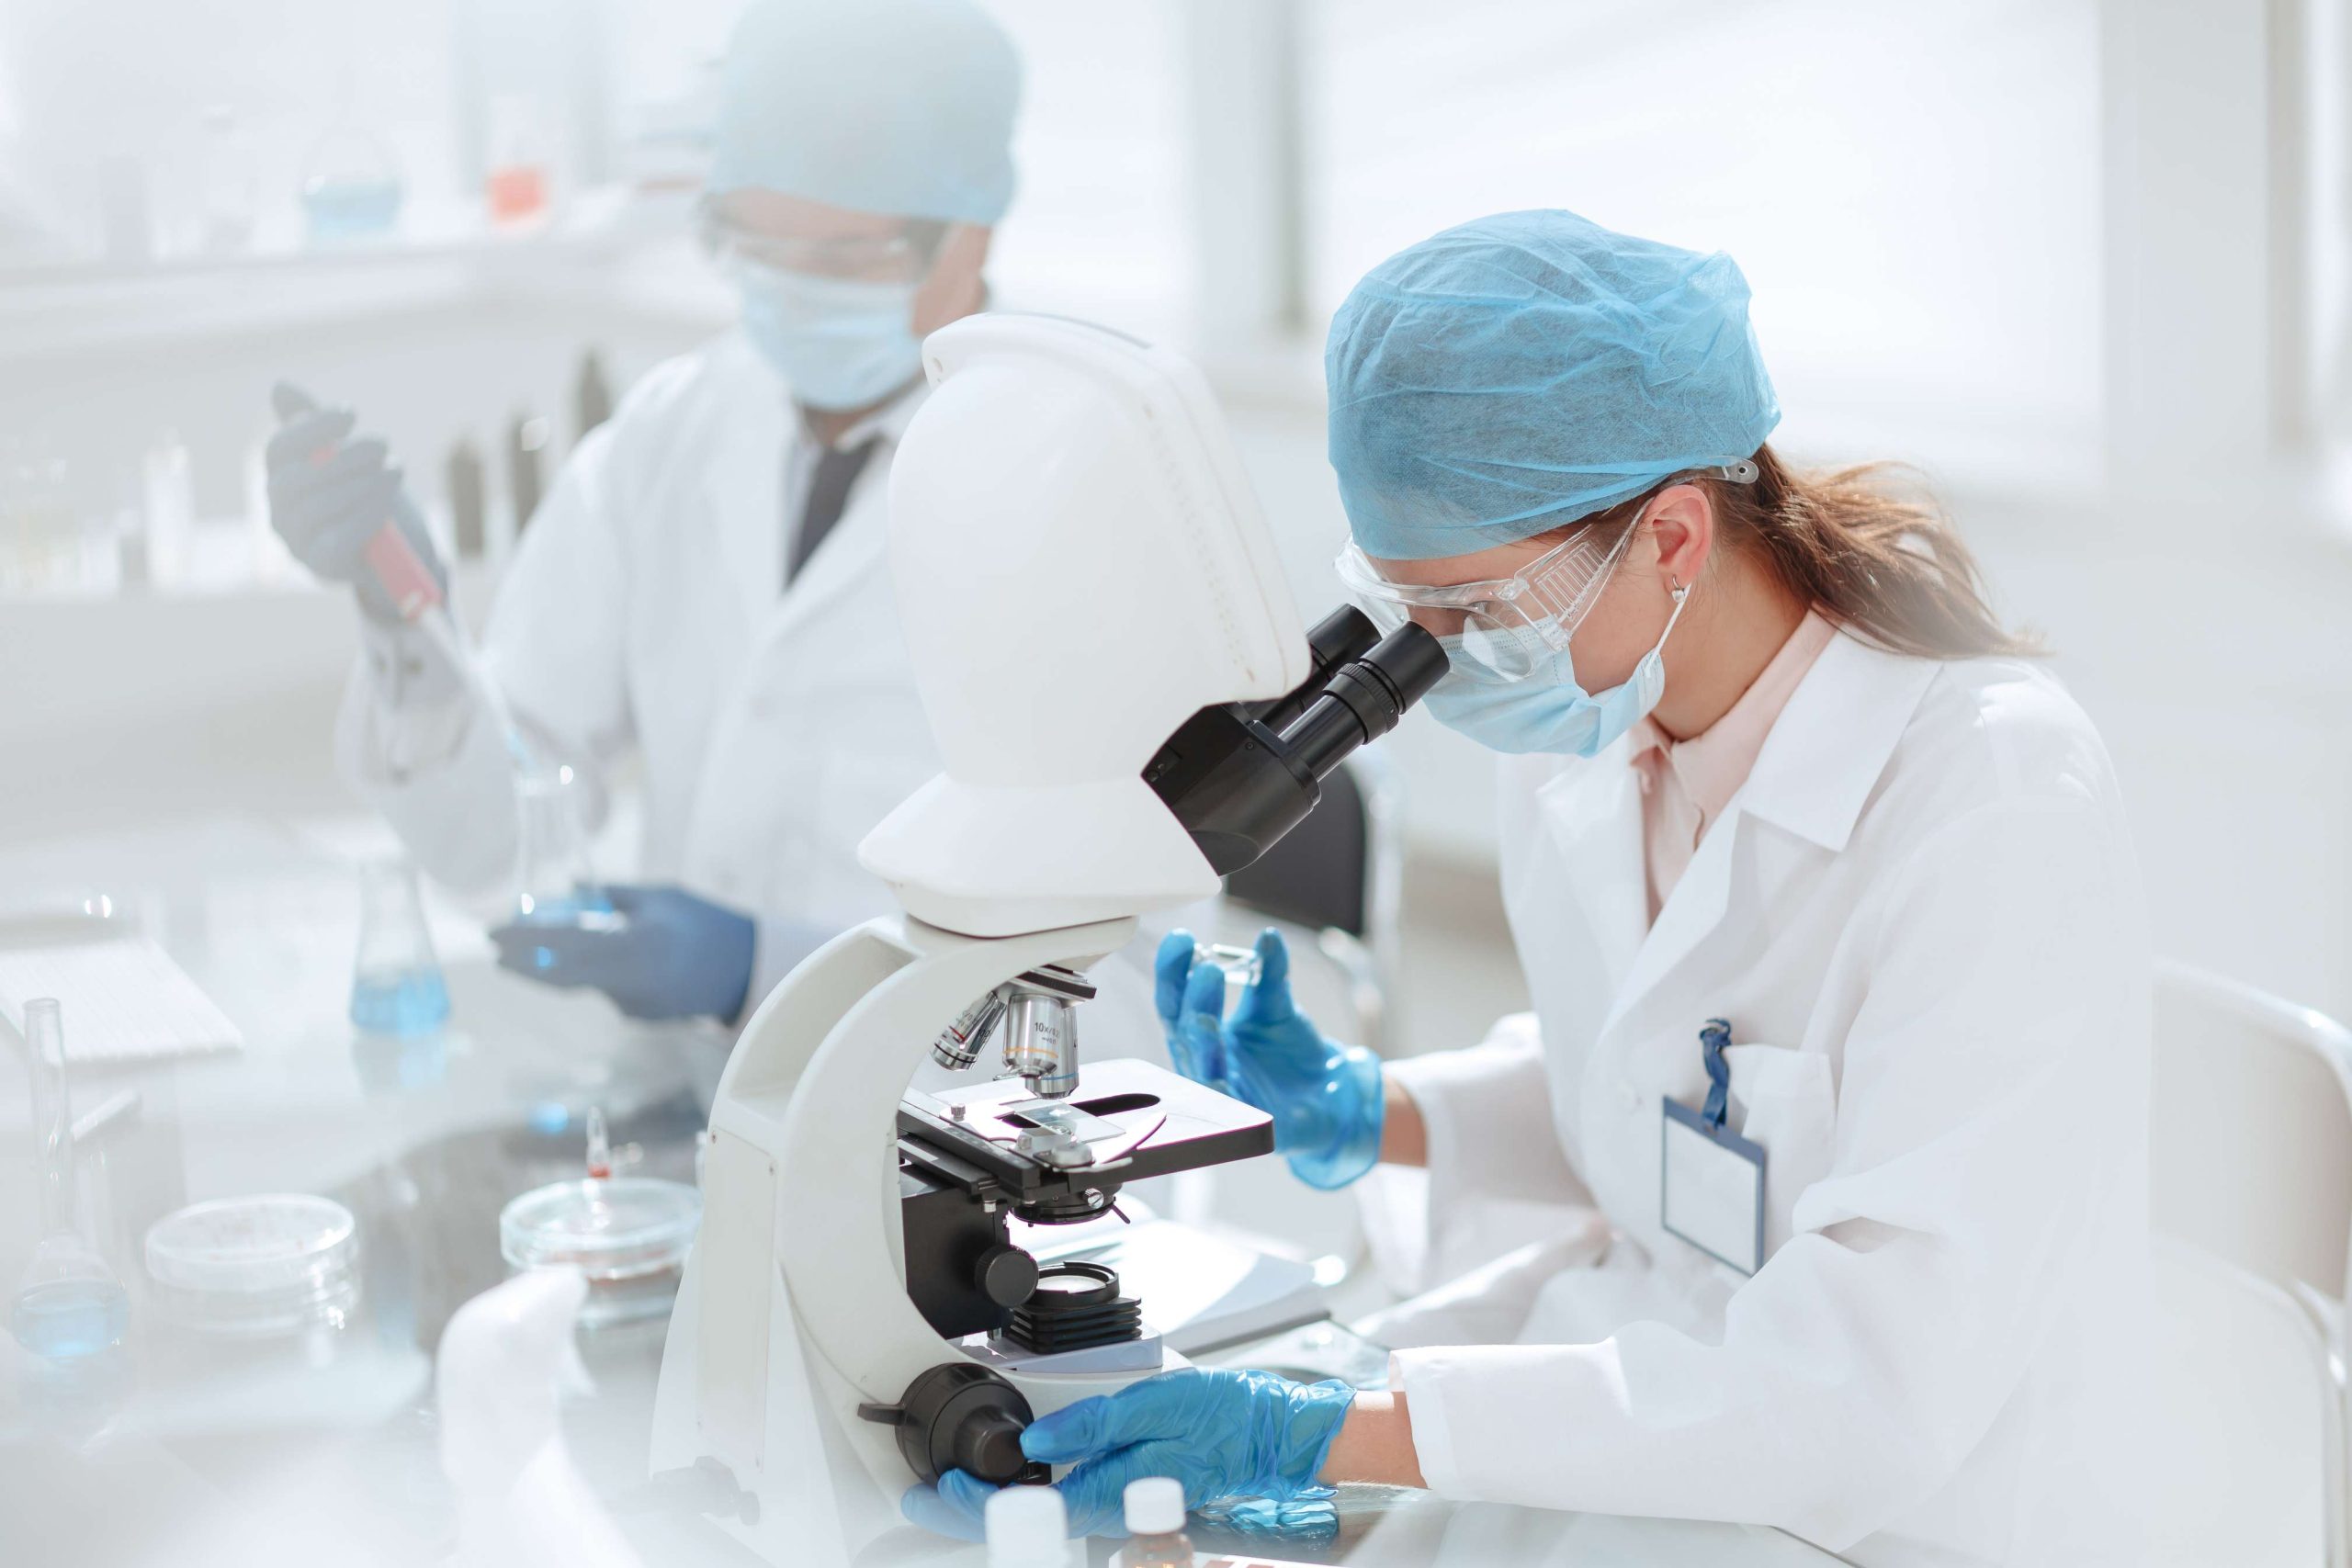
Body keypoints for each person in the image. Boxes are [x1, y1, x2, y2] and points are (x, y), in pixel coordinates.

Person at [914, 211, 2150, 1566]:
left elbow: (1876, 1389)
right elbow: (1667, 1094)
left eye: (1480, 614)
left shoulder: (1991, 799)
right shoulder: (1599, 726)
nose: (1442, 665)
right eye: (1412, 615)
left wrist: (1336, 1433)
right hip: (1649, 1413)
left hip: (1893, 1514)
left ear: (1675, 536)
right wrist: (1368, 1106)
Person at [266, 0, 1021, 1023]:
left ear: (968, 235)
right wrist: (409, 624)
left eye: (843, 259)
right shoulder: (670, 433)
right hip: (691, 1109)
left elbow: (1122, 971)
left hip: (957, 1135)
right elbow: (502, 833)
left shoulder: (1069, 477)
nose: (793, 292)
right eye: (755, 245)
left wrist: (764, 967)